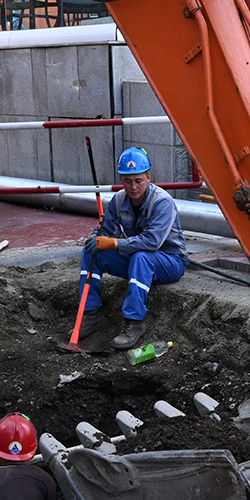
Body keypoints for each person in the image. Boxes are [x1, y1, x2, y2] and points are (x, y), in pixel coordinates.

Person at [77, 146, 187, 351]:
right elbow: (105, 231)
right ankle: (91, 314)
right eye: (127, 181)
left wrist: (114, 243)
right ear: (121, 179)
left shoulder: (162, 202)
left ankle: (134, 323)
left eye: (138, 180)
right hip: (139, 259)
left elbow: (152, 242)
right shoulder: (119, 200)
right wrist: (96, 237)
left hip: (171, 262)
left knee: (141, 256)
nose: (133, 186)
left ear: (148, 177)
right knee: (92, 252)